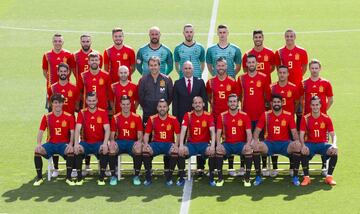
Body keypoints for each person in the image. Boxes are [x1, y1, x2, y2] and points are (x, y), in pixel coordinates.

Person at [253, 94, 304, 186]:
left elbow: (294, 132)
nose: (276, 104)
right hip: (269, 143)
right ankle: (258, 177)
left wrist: (297, 141)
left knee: (297, 146)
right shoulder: (265, 115)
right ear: (271, 103)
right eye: (274, 102)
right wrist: (255, 141)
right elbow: (257, 131)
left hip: (285, 144)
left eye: (278, 102)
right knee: (256, 147)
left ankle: (295, 177)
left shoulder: (288, 115)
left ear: (282, 103)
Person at [238, 54, 270, 176]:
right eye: (249, 62)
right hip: (246, 117)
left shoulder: (263, 77)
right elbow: (238, 96)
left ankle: (263, 167)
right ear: (246, 64)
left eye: (253, 62)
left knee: (260, 141)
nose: (251, 64)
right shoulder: (241, 79)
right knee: (245, 141)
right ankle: (243, 166)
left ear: (256, 63)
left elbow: (267, 97)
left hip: (260, 116)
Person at [33, 94, 76, 186]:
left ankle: (69, 178)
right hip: (50, 144)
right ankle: (39, 178)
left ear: (63, 103)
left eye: (60, 102)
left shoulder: (69, 116)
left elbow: (72, 132)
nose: (58, 105)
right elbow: (41, 131)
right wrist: (39, 144)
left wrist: (70, 144)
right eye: (55, 102)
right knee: (37, 150)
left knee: (70, 150)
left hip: (63, 144)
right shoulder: (46, 117)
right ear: (52, 103)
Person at [206, 57, 238, 176]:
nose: (220, 68)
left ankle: (230, 167)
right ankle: (213, 168)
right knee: (214, 141)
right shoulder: (210, 82)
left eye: (223, 66)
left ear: (226, 67)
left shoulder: (232, 81)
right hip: (215, 116)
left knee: (230, 140)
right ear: (215, 67)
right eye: (218, 66)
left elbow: (235, 98)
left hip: (229, 117)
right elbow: (209, 97)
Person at [301, 59, 334, 175]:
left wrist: (322, 112)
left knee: (323, 141)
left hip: (321, 119)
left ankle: (324, 166)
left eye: (316, 68)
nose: (314, 70)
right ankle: (305, 167)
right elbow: (301, 99)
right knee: (306, 141)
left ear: (320, 69)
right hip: (307, 119)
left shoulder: (326, 83)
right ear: (309, 69)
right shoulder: (304, 83)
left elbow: (330, 100)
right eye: (312, 68)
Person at [266, 65, 300, 177]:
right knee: (273, 141)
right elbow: (269, 103)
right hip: (274, 120)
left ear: (288, 74)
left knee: (291, 143)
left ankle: (291, 167)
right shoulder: (272, 87)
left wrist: (291, 114)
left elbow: (296, 102)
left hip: (289, 121)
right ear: (277, 73)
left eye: (284, 72)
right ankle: (274, 167)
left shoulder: (293, 87)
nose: (282, 75)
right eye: (280, 72)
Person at [47, 63, 80, 177]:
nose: (63, 73)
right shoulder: (52, 88)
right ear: (57, 72)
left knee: (73, 143)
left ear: (68, 73)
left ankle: (74, 168)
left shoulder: (74, 88)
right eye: (61, 71)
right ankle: (56, 168)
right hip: (56, 120)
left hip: (70, 121)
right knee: (54, 140)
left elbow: (76, 105)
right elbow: (50, 105)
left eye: (65, 71)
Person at [215, 94, 253, 187]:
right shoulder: (222, 116)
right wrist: (218, 144)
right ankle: (220, 178)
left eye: (234, 101)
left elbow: (249, 133)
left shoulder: (244, 116)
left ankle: (247, 178)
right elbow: (218, 132)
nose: (232, 103)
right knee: (219, 150)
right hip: (227, 144)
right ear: (227, 103)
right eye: (231, 101)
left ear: (238, 103)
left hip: (240, 144)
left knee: (248, 150)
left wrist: (248, 144)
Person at [178, 96, 216, 186]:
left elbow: (212, 131)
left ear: (203, 104)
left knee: (211, 152)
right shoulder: (188, 115)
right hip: (191, 144)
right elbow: (183, 130)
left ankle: (211, 177)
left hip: (204, 144)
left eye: (199, 103)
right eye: (195, 103)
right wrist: (181, 145)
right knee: (181, 152)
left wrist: (212, 145)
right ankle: (181, 177)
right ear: (193, 105)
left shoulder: (208, 115)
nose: (197, 104)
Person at [299, 96, 338, 186]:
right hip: (310, 144)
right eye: (313, 105)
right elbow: (301, 135)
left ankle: (329, 177)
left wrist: (334, 144)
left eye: (317, 105)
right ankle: (306, 177)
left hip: (322, 145)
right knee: (303, 151)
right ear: (310, 106)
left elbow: (333, 134)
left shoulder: (326, 118)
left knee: (334, 151)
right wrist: (303, 145)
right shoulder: (305, 118)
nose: (315, 107)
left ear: (320, 105)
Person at [74, 92, 110, 186]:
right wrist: (76, 143)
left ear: (97, 100)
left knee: (104, 150)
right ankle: (79, 178)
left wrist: (105, 143)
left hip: (99, 143)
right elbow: (77, 129)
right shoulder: (82, 113)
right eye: (89, 101)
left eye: (93, 100)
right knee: (78, 150)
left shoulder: (102, 112)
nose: (91, 102)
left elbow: (107, 129)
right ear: (86, 101)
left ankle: (101, 178)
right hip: (85, 143)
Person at [274, 29, 308, 128]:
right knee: (285, 110)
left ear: (295, 37)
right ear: (285, 37)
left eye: (291, 36)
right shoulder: (279, 52)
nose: (289, 38)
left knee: (299, 111)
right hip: (284, 86)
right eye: (287, 36)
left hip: (298, 86)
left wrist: (298, 77)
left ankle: (298, 134)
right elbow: (278, 68)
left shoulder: (302, 51)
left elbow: (304, 67)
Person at [142, 99, 180, 186]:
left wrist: (176, 145)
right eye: (160, 106)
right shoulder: (152, 119)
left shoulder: (173, 119)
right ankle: (148, 177)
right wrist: (146, 145)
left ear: (167, 108)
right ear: (157, 108)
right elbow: (147, 134)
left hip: (169, 144)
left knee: (175, 151)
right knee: (145, 151)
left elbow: (178, 134)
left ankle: (169, 177)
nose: (162, 108)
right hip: (156, 144)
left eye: (164, 106)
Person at [108, 95, 143, 186]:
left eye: (127, 104)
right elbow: (112, 135)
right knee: (111, 147)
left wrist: (139, 141)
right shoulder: (115, 117)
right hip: (120, 142)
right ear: (120, 105)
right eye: (123, 104)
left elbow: (140, 134)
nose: (126, 106)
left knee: (139, 148)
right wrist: (112, 141)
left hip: (131, 143)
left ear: (131, 104)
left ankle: (136, 175)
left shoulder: (137, 117)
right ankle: (113, 176)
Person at [42, 33, 75, 109]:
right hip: (52, 88)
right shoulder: (47, 55)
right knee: (52, 111)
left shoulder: (68, 54)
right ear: (52, 42)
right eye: (55, 41)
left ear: (63, 42)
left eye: (59, 41)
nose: (57, 43)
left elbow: (71, 70)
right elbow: (45, 71)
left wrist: (64, 80)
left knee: (67, 109)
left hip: (66, 87)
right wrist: (51, 81)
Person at [138, 56, 173, 125]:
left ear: (159, 66)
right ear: (148, 66)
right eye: (151, 65)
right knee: (148, 134)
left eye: (155, 65)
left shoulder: (167, 79)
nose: (153, 67)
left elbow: (170, 96)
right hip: (148, 113)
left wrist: (163, 106)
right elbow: (140, 97)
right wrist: (147, 106)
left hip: (163, 113)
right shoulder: (143, 80)